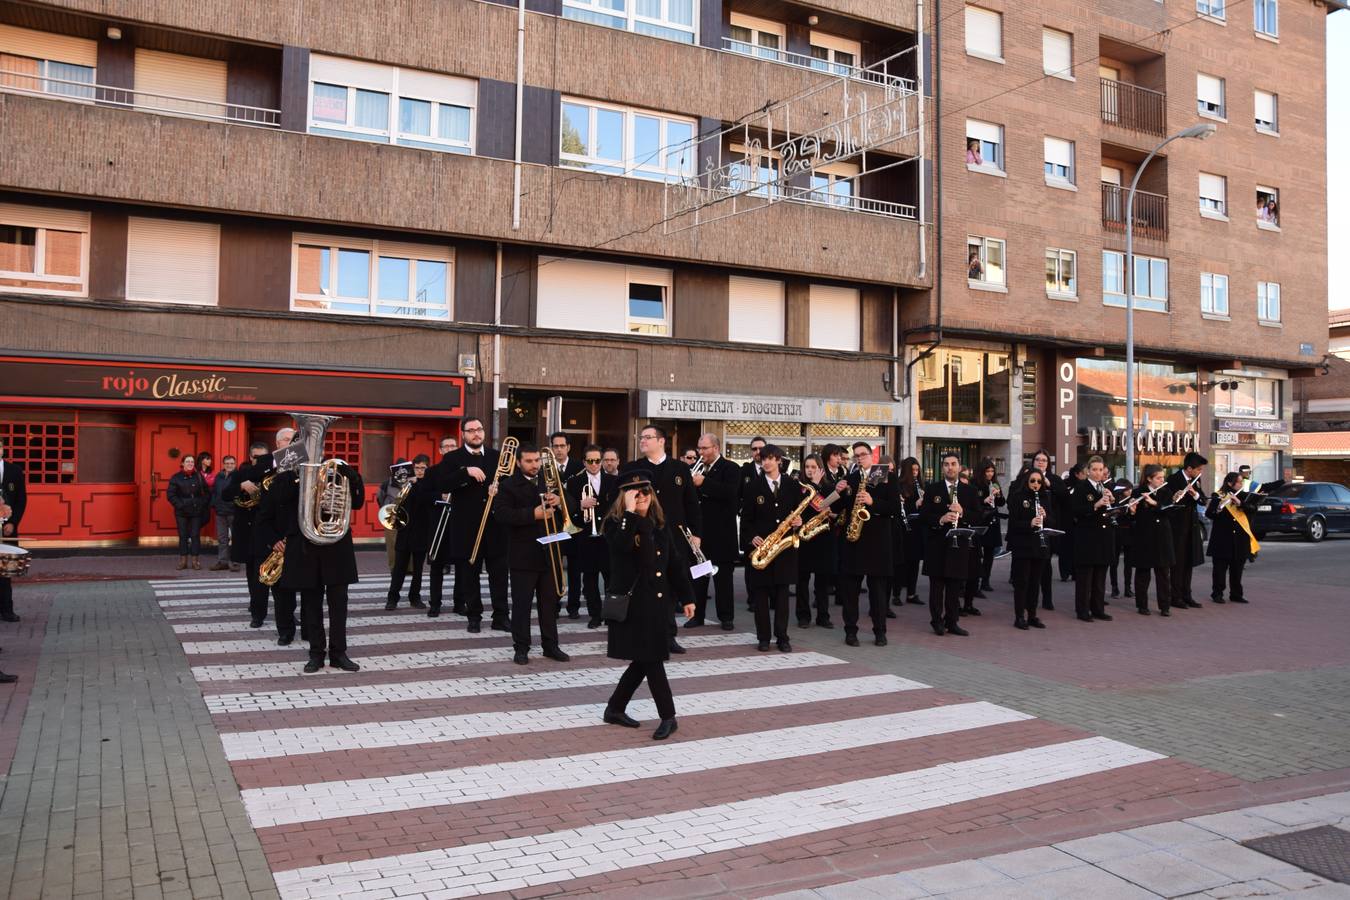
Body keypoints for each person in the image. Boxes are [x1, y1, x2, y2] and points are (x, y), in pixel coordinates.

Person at [601, 472, 696, 741]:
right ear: (625, 497)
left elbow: (674, 563)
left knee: (644, 660)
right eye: (634, 493)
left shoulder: (659, 524)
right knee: (652, 659)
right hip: (632, 606)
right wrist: (631, 513)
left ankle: (615, 708)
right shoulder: (615, 523)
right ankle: (669, 716)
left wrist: (687, 597)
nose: (641, 496)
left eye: (645, 491)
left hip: (656, 605)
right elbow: (620, 548)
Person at [259, 456, 366, 673]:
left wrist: (354, 479)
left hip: (335, 543)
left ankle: (339, 654)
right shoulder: (286, 476)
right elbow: (276, 501)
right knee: (311, 604)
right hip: (305, 545)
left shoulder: (335, 469)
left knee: (339, 603)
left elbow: (357, 502)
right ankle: (316, 654)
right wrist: (296, 475)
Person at [623, 424, 701, 654]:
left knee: (670, 588)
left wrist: (696, 534)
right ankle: (644, 633)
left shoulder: (679, 468)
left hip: (674, 538)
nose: (642, 441)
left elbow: (692, 504)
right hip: (643, 537)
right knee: (645, 586)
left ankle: (669, 636)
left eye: (648, 437)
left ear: (661, 441)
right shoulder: (633, 468)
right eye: (641, 437)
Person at [494, 443, 569, 665]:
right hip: (523, 555)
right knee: (522, 605)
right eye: (529, 461)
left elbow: (571, 502)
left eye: (537, 460)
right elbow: (501, 514)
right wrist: (532, 514)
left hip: (549, 554)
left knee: (549, 604)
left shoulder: (551, 481)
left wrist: (560, 502)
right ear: (518, 462)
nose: (534, 465)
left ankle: (551, 646)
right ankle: (521, 647)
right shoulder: (508, 485)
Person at [442, 419, 511, 631]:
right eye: (471, 431)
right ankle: (474, 616)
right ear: (463, 434)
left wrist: (500, 491)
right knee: (469, 576)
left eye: (479, 429)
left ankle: (501, 616)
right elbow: (443, 484)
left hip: (495, 527)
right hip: (466, 528)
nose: (476, 434)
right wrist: (466, 472)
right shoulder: (452, 458)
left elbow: (510, 483)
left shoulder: (497, 456)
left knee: (499, 574)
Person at [739, 445, 804, 652]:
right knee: (760, 597)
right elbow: (746, 519)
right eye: (763, 459)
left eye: (770, 458)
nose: (766, 462)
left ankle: (782, 637)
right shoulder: (752, 487)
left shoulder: (792, 485)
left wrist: (799, 522)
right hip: (763, 550)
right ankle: (764, 638)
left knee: (783, 597)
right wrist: (751, 537)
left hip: (784, 549)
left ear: (779, 461)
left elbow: (798, 513)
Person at [837, 442, 900, 647]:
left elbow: (894, 508)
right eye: (856, 456)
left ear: (872, 456)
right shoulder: (851, 478)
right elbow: (841, 509)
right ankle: (850, 632)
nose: (859, 458)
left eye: (863, 454)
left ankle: (880, 632)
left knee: (878, 593)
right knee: (850, 592)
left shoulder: (883, 474)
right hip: (854, 542)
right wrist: (839, 492)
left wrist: (873, 503)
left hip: (877, 543)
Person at [919, 451, 983, 637]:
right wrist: (940, 518)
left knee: (955, 587)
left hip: (959, 545)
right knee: (937, 588)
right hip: (937, 545)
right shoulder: (932, 489)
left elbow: (978, 516)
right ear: (942, 468)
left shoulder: (969, 490)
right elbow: (923, 516)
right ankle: (937, 622)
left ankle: (952, 622)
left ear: (960, 467)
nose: (950, 467)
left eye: (953, 464)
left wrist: (962, 512)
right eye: (946, 464)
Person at [688, 433, 741, 630]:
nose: (700, 453)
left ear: (716, 448)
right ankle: (697, 616)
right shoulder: (696, 469)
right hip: (701, 534)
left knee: (723, 580)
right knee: (699, 578)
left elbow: (730, 492)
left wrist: (704, 483)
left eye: (704, 449)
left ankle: (726, 617)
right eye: (699, 448)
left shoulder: (730, 468)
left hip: (722, 535)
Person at [565, 444, 619, 627]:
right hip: (585, 537)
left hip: (607, 538)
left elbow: (618, 509)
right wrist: (580, 505)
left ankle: (612, 614)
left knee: (611, 577)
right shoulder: (574, 483)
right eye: (590, 461)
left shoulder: (613, 481)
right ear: (584, 462)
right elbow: (567, 511)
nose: (594, 464)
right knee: (589, 580)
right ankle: (595, 615)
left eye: (598, 460)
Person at [1006, 466, 1053, 630]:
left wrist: (1045, 517)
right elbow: (1013, 523)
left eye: (1039, 481)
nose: (1036, 484)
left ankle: (1032, 614)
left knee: (1035, 582)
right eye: (1033, 481)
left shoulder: (1045, 497)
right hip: (1023, 545)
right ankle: (1019, 616)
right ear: (1027, 481)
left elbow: (1052, 521)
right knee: (1022, 582)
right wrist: (1030, 523)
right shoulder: (1018, 497)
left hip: (1040, 546)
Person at [1071, 455, 1116, 623]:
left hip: (1103, 538)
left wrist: (1112, 501)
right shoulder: (1081, 487)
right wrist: (1095, 505)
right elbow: (1076, 510)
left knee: (1100, 576)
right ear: (1088, 471)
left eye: (1100, 470)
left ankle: (1098, 608)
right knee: (1085, 577)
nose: (1098, 473)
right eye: (1094, 470)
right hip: (1087, 538)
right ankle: (1082, 610)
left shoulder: (1103, 487)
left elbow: (1110, 510)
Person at [386, 455, 433, 610]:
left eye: (423, 468)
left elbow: (426, 501)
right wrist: (405, 487)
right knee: (399, 567)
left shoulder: (429, 485)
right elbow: (396, 504)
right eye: (417, 468)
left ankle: (415, 597)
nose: (419, 471)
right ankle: (392, 598)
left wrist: (417, 484)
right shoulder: (405, 484)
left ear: (427, 469)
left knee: (418, 570)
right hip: (404, 531)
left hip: (421, 531)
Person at [795, 454, 836, 629]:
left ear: (821, 469)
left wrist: (820, 487)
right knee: (802, 580)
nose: (810, 470)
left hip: (823, 538)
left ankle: (823, 616)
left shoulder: (829, 487)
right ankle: (803, 616)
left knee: (822, 581)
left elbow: (833, 510)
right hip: (804, 538)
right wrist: (814, 485)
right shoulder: (800, 488)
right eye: (807, 467)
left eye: (813, 467)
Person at [1163, 452, 1208, 610]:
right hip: (1177, 528)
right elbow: (1169, 502)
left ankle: (1186, 594)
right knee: (1178, 564)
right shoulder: (1173, 480)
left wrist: (1194, 493)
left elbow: (1202, 499)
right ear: (1189, 468)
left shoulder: (1196, 481)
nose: (1200, 472)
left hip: (1192, 526)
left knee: (1189, 561)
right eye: (1198, 469)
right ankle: (1175, 596)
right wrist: (1180, 495)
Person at [1207, 471, 1258, 605]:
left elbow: (1253, 509)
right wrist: (1218, 508)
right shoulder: (1218, 495)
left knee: (1237, 569)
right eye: (1239, 482)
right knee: (1219, 569)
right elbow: (1209, 513)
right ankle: (1217, 593)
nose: (1241, 484)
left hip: (1240, 539)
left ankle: (1236, 594)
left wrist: (1240, 503)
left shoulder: (1244, 496)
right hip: (1222, 539)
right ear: (1230, 483)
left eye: (1242, 482)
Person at [1129, 464, 1174, 617]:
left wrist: (1154, 503)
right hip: (1145, 537)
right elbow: (1131, 517)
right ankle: (1142, 605)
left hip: (1162, 537)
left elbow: (1170, 511)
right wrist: (1133, 510)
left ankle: (1165, 606)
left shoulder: (1166, 492)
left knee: (1163, 573)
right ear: (1149, 479)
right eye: (1158, 478)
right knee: (1143, 573)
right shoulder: (1137, 492)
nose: (1162, 480)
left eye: (1163, 477)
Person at [966, 458, 1004, 611]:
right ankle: (975, 583)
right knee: (977, 554)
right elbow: (974, 503)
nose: (990, 474)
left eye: (992, 471)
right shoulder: (975, 485)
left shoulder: (994, 484)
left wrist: (999, 495)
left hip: (993, 521)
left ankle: (985, 580)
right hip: (981, 521)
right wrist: (984, 500)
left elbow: (1002, 503)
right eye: (987, 471)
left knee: (990, 553)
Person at [0, 437, 27, 626]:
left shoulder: (15, 471)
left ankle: (7, 610)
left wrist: (13, 523)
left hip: (7, 531)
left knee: (5, 572)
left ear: (2, 449)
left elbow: (21, 500)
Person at [167, 455, 211, 571]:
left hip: (196, 511)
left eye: (192, 461)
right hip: (181, 512)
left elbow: (207, 493)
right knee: (183, 536)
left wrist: (201, 503)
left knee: (195, 535)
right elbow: (171, 495)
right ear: (182, 463)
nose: (190, 463)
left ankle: (195, 561)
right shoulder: (176, 478)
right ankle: (183, 561)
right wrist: (181, 505)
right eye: (187, 461)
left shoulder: (199, 476)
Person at [894, 457, 925, 606]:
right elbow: (899, 509)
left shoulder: (920, 485)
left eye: (917, 470)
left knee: (914, 562)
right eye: (912, 470)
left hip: (917, 529)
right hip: (904, 529)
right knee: (902, 563)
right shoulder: (899, 485)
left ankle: (911, 593)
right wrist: (915, 504)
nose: (915, 473)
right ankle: (896, 594)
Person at [376, 460, 408, 573]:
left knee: (410, 542)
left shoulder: (411, 482)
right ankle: (394, 567)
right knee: (392, 543)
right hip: (391, 516)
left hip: (408, 515)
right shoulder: (386, 484)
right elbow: (379, 497)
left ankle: (410, 568)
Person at [209, 455, 239, 570]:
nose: (229, 465)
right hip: (220, 511)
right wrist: (214, 504)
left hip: (234, 511)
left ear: (235, 464)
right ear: (223, 465)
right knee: (222, 539)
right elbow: (215, 492)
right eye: (227, 463)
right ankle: (223, 561)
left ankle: (235, 562)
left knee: (236, 538)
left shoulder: (238, 476)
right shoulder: (219, 476)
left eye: (231, 463)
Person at [1058, 463, 1085, 582]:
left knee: (1077, 548)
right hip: (1065, 520)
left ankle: (1075, 572)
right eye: (1084, 473)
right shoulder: (1066, 484)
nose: (1086, 475)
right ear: (1077, 474)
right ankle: (1064, 572)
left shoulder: (1085, 485)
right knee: (1065, 547)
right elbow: (1062, 500)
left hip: (1079, 522)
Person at [1108, 477, 1134, 599]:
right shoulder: (1114, 501)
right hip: (1116, 532)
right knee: (1114, 561)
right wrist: (1117, 510)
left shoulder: (1132, 500)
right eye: (1127, 489)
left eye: (1131, 489)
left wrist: (1132, 510)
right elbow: (1110, 514)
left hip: (1129, 532)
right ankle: (1114, 587)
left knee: (1129, 562)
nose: (1130, 492)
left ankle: (1128, 587)